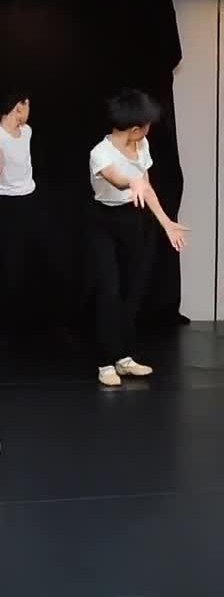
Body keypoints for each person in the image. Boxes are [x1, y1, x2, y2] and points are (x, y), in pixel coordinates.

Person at [89, 89, 188, 387]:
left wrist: (167, 223)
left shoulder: (142, 145)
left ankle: (124, 357)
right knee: (109, 292)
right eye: (146, 125)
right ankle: (105, 362)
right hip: (104, 222)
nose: (148, 130)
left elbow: (147, 188)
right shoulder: (100, 152)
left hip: (134, 219)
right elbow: (115, 178)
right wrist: (131, 181)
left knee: (132, 292)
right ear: (134, 128)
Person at [0, 94, 36, 331]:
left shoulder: (27, 131)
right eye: (27, 105)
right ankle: (8, 320)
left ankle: (26, 311)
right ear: (18, 107)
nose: (29, 110)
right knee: (10, 260)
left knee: (29, 257)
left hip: (29, 199)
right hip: (8, 204)